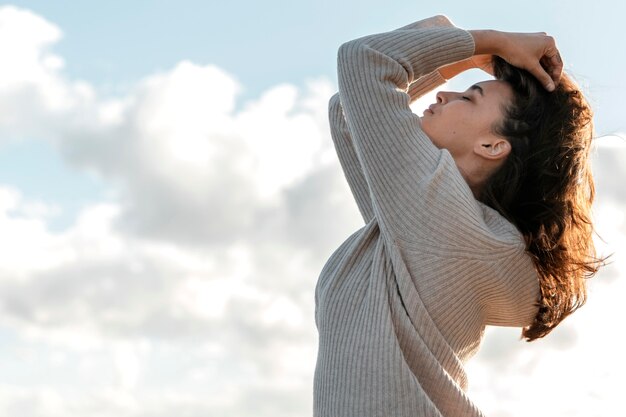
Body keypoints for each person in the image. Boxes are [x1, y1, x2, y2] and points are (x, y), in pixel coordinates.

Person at [313, 15, 603, 417]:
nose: (445, 95)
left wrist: (490, 42)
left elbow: (365, 61)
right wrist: (461, 53)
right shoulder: (417, 215)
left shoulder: (437, 210)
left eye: (468, 97)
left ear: (490, 144)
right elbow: (348, 110)